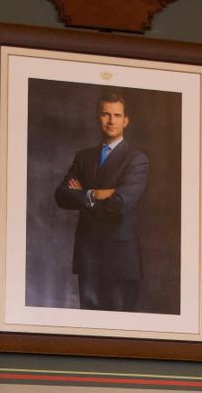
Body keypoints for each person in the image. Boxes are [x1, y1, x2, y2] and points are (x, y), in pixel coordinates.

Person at [53, 92, 149, 312]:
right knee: (88, 324)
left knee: (120, 329)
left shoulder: (137, 159)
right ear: (98, 117)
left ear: (126, 120)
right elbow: (61, 195)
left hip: (121, 259)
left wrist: (82, 195)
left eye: (117, 115)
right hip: (88, 254)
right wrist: (94, 194)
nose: (112, 120)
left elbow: (120, 204)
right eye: (106, 114)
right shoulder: (83, 157)